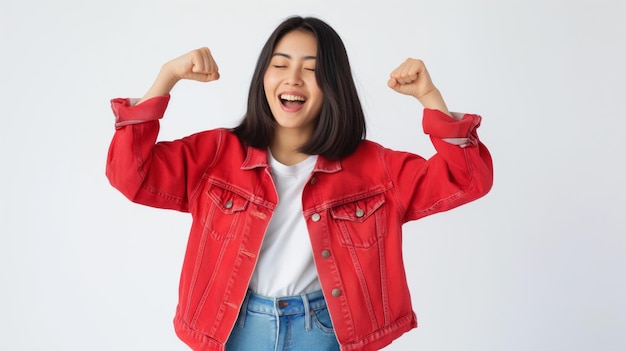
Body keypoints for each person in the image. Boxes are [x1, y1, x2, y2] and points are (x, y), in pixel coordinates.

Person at [106, 15, 493, 351]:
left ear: (333, 85)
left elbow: (467, 179)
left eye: (311, 69)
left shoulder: (375, 167)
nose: (293, 79)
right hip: (235, 329)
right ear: (264, 77)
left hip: (324, 331)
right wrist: (166, 77)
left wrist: (429, 97)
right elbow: (130, 176)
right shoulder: (216, 153)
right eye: (280, 64)